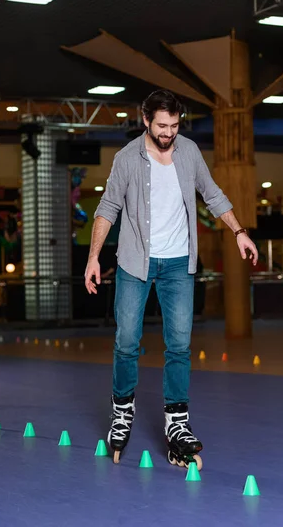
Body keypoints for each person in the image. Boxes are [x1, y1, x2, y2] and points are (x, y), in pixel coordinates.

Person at [85, 90, 258, 467]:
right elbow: (108, 206)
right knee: (127, 341)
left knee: (179, 345)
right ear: (145, 120)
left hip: (179, 264)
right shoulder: (127, 158)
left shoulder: (189, 152)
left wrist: (239, 231)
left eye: (175, 125)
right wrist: (93, 257)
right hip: (135, 263)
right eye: (161, 126)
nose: (168, 133)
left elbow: (212, 195)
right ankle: (122, 412)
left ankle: (177, 422)